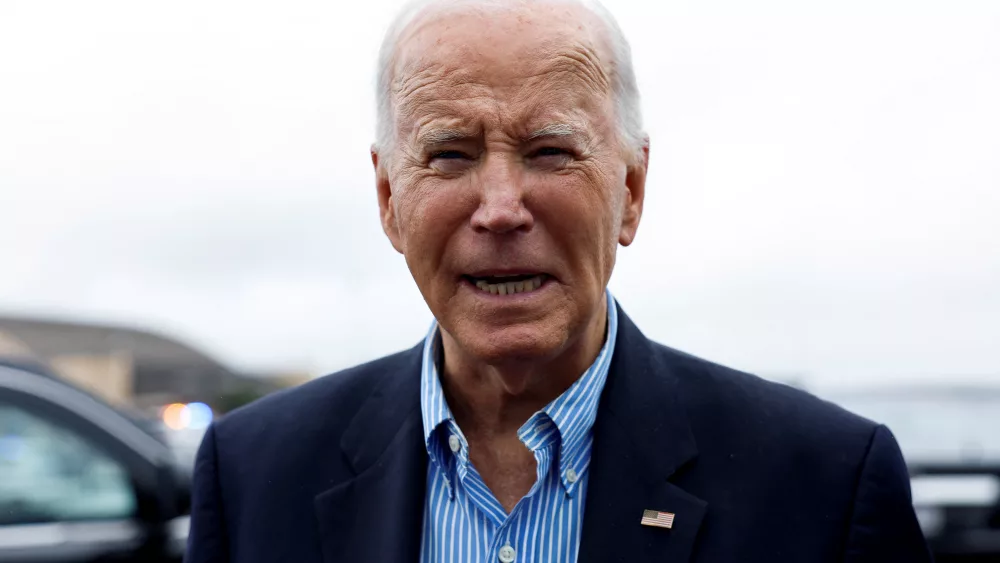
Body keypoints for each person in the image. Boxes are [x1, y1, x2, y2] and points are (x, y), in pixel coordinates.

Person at [185, 1, 934, 561]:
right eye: (449, 154)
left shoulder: (824, 489)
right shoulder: (252, 478)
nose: (502, 208)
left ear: (632, 189)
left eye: (549, 150)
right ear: (388, 200)